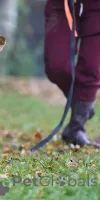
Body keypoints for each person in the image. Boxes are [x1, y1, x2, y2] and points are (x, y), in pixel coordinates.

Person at [44, 0, 100, 146]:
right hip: (61, 5)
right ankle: (80, 101)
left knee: (92, 65)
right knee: (56, 65)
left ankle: (76, 128)